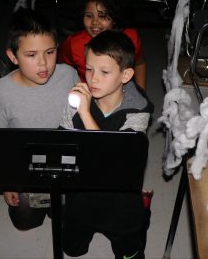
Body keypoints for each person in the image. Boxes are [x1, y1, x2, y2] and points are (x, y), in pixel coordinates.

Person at [60, 30, 154, 259]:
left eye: (104, 71)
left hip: (120, 201)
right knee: (71, 250)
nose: (92, 79)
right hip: (81, 196)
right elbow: (63, 149)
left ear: (126, 75)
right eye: (89, 69)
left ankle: (143, 212)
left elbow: (113, 162)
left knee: (130, 253)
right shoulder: (75, 101)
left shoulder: (139, 110)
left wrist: (84, 114)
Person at [0, 8, 79, 230]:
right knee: (25, 222)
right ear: (12, 56)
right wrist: (7, 182)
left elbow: (82, 119)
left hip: (65, 165)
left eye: (50, 52)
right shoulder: (2, 90)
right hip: (27, 170)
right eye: (31, 55)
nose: (43, 64)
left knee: (72, 222)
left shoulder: (68, 74)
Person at [58, 0, 147, 89]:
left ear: (114, 19)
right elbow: (62, 71)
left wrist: (142, 93)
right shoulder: (73, 44)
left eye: (102, 16)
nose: (95, 22)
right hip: (90, 94)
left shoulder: (130, 38)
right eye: (89, 16)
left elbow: (140, 64)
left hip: (121, 92)